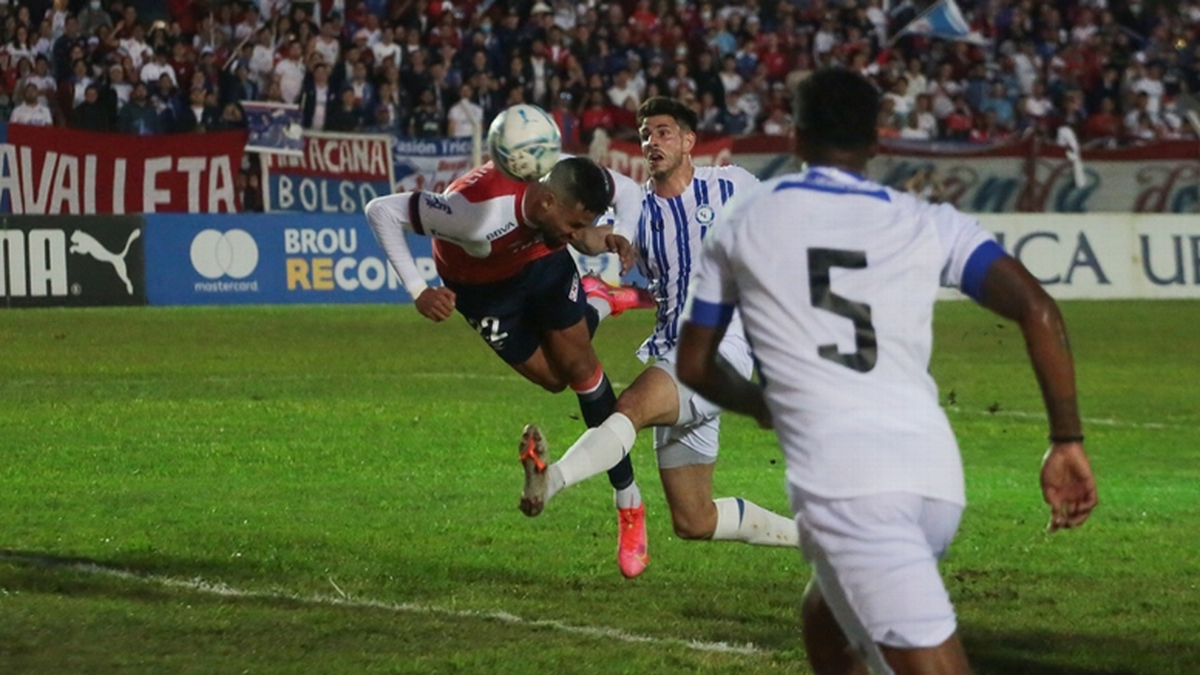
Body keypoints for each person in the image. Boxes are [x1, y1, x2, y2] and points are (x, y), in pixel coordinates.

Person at [675, 68, 1098, 675]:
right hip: (935, 478)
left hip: (849, 483)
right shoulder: (927, 219)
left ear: (794, 138)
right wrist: (1066, 440)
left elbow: (696, 361)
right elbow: (1038, 309)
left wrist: (762, 404)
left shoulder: (744, 221)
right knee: (825, 624)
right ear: (877, 141)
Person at [517, 96, 800, 581]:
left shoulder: (730, 185)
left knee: (629, 407)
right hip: (673, 351)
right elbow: (594, 240)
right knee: (694, 520)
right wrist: (558, 214)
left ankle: (554, 477)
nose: (653, 142)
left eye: (665, 132)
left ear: (690, 142)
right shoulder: (638, 212)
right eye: (646, 133)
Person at [365, 155, 652, 574]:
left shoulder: (554, 169)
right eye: (574, 226)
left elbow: (626, 190)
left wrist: (621, 233)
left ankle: (628, 500)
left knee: (582, 370)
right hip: (484, 293)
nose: (578, 236)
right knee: (554, 379)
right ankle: (598, 300)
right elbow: (381, 211)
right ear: (548, 201)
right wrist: (418, 290)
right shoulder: (474, 215)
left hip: (541, 262)